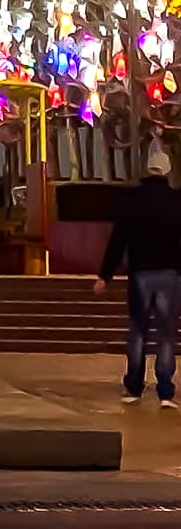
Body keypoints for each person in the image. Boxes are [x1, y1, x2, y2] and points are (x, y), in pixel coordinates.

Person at [95, 148, 181, 407]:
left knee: (138, 330)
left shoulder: (131, 201)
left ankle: (134, 386)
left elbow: (118, 240)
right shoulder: (177, 201)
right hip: (170, 273)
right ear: (167, 171)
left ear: (147, 170)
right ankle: (165, 391)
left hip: (140, 272)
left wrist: (104, 275)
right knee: (166, 332)